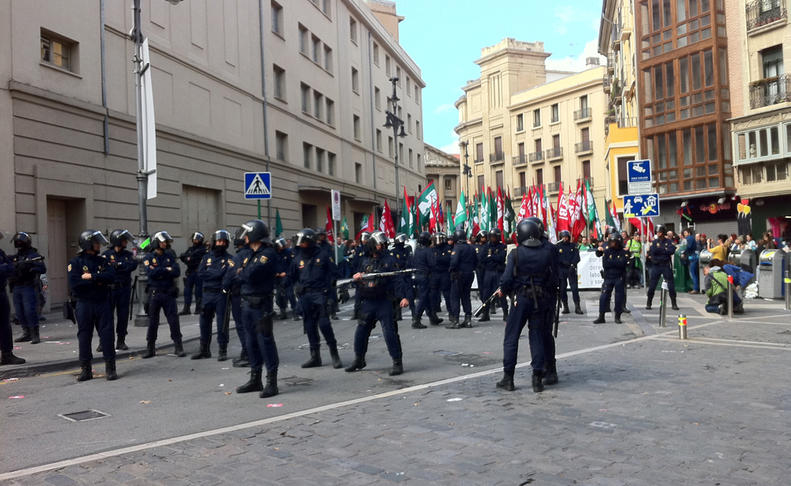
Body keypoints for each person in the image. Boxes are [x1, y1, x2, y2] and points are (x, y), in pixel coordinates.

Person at [494, 217, 559, 393]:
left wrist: (504, 290)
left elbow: (507, 279)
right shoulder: (546, 253)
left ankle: (508, 378)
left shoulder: (515, 254)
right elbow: (553, 279)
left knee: (511, 337)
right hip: (540, 299)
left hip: (521, 298)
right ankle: (537, 378)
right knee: (536, 336)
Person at [345, 231, 410, 376]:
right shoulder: (363, 259)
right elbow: (356, 277)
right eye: (380, 244)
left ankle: (397, 362)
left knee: (390, 333)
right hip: (368, 301)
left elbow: (397, 279)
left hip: (384, 301)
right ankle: (359, 359)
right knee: (361, 332)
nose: (382, 246)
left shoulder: (389, 260)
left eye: (383, 244)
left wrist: (403, 297)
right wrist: (357, 278)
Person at [234, 220, 280, 398]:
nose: (244, 236)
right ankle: (255, 379)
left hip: (261, 305)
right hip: (247, 304)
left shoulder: (267, 254)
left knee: (265, 342)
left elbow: (250, 274)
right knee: (251, 343)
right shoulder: (250, 254)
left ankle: (271, 382)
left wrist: (242, 272)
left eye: (247, 233)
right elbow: (237, 274)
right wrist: (242, 272)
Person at [67, 230, 118, 381]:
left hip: (102, 302)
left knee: (107, 335)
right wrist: (99, 281)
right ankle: (86, 369)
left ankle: (110, 368)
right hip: (84, 304)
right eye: (96, 242)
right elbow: (75, 284)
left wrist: (92, 277)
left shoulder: (103, 261)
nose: (98, 245)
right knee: (84, 336)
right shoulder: (75, 263)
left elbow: (111, 276)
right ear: (87, 243)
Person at [292, 228, 342, 369]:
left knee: (324, 325)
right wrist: (292, 286)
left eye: (302, 242)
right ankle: (315, 357)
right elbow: (292, 275)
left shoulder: (323, 255)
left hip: (320, 294)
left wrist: (332, 294)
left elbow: (334, 274)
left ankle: (334, 354)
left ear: (309, 242)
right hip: (305, 296)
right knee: (309, 326)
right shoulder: (297, 257)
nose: (300, 245)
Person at [142, 231, 185, 359]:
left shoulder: (170, 255)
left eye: (166, 242)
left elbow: (176, 271)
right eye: (162, 242)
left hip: (168, 293)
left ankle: (178, 346)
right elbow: (151, 273)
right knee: (153, 322)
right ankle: (150, 348)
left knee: (173, 320)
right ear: (156, 243)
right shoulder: (148, 257)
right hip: (155, 293)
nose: (165, 244)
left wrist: (160, 271)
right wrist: (167, 269)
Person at [191, 230, 233, 361]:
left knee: (222, 323)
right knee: (204, 322)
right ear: (215, 242)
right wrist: (218, 273)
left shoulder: (230, 259)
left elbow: (228, 275)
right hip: (207, 294)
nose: (221, 244)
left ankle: (222, 350)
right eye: (219, 241)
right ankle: (204, 350)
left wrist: (212, 273)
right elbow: (201, 273)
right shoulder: (206, 257)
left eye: (223, 242)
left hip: (221, 294)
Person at [102, 229, 138, 351]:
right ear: (117, 240)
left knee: (123, 315)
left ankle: (121, 340)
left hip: (124, 289)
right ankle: (104, 341)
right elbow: (107, 269)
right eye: (124, 240)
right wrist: (120, 265)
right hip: (110, 289)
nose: (126, 242)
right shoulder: (106, 254)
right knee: (107, 316)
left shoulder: (128, 254)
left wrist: (118, 265)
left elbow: (132, 266)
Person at [9, 232, 46, 344]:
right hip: (17, 286)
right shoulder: (17, 256)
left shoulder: (33, 256)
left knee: (29, 310)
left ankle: (35, 334)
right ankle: (26, 333)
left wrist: (31, 269)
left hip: (28, 286)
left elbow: (42, 268)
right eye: (17, 242)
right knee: (19, 312)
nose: (18, 244)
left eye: (20, 242)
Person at [224, 229, 251, 367]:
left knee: (241, 325)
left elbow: (230, 275)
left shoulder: (239, 256)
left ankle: (247, 353)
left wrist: (224, 287)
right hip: (252, 295)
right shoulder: (254, 253)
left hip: (239, 294)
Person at [0, 233, 26, 365]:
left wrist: (10, 265)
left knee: (5, 324)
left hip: (1, 291)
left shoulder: (0, 252)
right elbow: (7, 268)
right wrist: (8, 267)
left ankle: (7, 354)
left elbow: (10, 266)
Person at [593, 233, 629, 324]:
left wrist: (612, 262)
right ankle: (601, 316)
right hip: (608, 277)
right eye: (611, 242)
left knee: (619, 297)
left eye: (614, 242)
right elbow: (605, 264)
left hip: (619, 277)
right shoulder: (607, 251)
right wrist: (615, 262)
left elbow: (622, 264)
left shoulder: (623, 252)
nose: (612, 244)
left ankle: (617, 316)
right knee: (603, 297)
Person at [446, 227, 477, 329]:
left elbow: (454, 262)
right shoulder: (471, 248)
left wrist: (451, 269)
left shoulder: (457, 248)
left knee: (455, 297)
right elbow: (476, 261)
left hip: (458, 275)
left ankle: (456, 320)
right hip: (469, 274)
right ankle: (468, 319)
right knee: (466, 296)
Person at [645, 225, 679, 310]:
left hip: (666, 265)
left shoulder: (669, 241)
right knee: (652, 285)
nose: (658, 233)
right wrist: (663, 250)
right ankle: (649, 302)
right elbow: (652, 252)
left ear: (663, 232)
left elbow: (671, 251)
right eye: (657, 232)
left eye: (660, 232)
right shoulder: (654, 242)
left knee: (671, 285)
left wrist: (660, 250)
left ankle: (674, 303)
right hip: (656, 265)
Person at [412, 231, 441, 327]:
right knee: (423, 298)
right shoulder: (428, 251)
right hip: (425, 276)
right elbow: (432, 263)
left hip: (418, 275)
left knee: (427, 298)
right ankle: (416, 319)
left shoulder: (417, 250)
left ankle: (432, 317)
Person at [478, 229, 507, 322]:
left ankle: (505, 313)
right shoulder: (486, 246)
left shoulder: (502, 246)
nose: (493, 238)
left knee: (501, 293)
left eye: (494, 237)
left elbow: (501, 258)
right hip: (489, 272)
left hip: (498, 272)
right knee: (486, 294)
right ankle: (485, 314)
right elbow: (482, 258)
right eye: (491, 237)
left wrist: (491, 257)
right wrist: (493, 258)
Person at [179, 232, 208, 315]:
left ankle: (198, 308)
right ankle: (186, 308)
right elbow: (183, 257)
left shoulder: (203, 250)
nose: (194, 240)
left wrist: (189, 258)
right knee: (187, 291)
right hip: (190, 272)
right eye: (194, 239)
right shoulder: (191, 249)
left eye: (196, 239)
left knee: (198, 291)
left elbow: (194, 259)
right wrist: (188, 258)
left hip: (198, 272)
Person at [556, 230, 583, 315]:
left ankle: (577, 307)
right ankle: (565, 306)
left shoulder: (573, 246)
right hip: (562, 270)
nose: (565, 239)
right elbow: (556, 258)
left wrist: (572, 265)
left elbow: (577, 257)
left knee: (574, 289)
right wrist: (563, 262)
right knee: (562, 289)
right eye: (563, 237)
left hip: (571, 269)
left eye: (566, 237)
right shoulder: (558, 247)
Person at [273, 237, 298, 320]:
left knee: (290, 295)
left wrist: (286, 273)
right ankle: (283, 312)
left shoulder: (288, 252)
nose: (283, 246)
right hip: (277, 279)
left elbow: (292, 265)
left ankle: (295, 312)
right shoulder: (273, 254)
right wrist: (275, 273)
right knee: (279, 297)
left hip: (286, 277)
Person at [431, 232, 452, 315]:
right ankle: (433, 312)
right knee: (433, 294)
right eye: (437, 239)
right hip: (435, 274)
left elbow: (448, 259)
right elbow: (431, 260)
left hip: (445, 273)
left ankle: (451, 312)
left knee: (447, 294)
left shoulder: (448, 248)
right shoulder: (432, 249)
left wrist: (438, 259)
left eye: (440, 239)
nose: (438, 241)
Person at [682, 229, 699, 294]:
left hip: (692, 257)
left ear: (689, 233)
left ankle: (695, 289)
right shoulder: (691, 238)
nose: (684, 234)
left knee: (693, 274)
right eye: (684, 233)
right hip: (693, 257)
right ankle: (696, 288)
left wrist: (683, 253)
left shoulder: (689, 238)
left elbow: (688, 247)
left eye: (685, 233)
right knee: (694, 273)